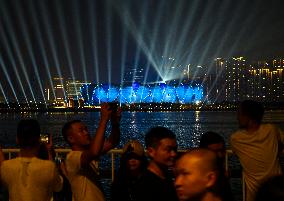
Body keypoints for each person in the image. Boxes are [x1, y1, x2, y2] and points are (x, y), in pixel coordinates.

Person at [62, 103, 121, 201]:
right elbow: (94, 152)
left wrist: (115, 123)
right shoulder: (72, 158)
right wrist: (103, 120)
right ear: (71, 139)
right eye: (81, 131)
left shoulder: (87, 153)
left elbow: (112, 142)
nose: (86, 132)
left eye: (86, 129)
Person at [230, 100, 283, 201]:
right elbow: (280, 144)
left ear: (248, 117)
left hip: (255, 195)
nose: (237, 118)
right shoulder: (271, 130)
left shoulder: (236, 139)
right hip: (278, 191)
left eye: (239, 114)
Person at [0, 119, 63, 201]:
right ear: (38, 140)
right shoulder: (48, 167)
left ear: (17, 140)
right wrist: (49, 151)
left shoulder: (6, 166)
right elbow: (58, 187)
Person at [133, 126, 178, 201]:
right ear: (151, 152)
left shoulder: (166, 176)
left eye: (175, 149)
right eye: (168, 150)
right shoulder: (146, 185)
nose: (173, 154)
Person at [199, 132, 234, 201]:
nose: (220, 155)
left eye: (222, 151)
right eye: (215, 152)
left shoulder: (220, 174)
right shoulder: (199, 180)